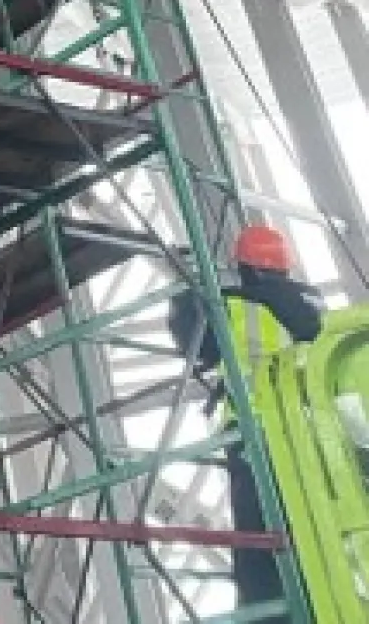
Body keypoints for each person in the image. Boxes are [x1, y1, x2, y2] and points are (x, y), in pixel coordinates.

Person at [168, 222, 323, 611]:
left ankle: (267, 612)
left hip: (258, 430)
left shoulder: (235, 306)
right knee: (316, 523)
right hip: (313, 428)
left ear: (246, 268)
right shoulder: (314, 303)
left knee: (259, 534)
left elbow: (196, 345)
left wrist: (185, 291)